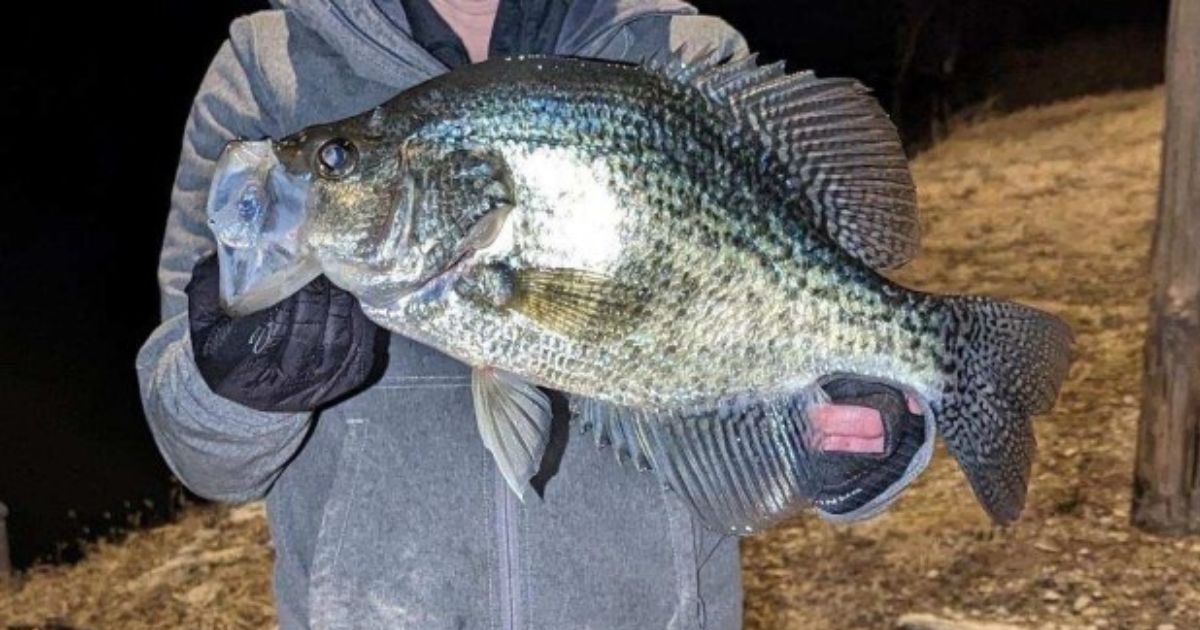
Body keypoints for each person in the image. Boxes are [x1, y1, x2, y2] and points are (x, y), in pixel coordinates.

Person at [136, 1, 921, 628]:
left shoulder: (682, 46)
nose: (314, 170)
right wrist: (230, 379)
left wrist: (862, 442)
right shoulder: (265, 70)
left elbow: (799, 364)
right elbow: (203, 459)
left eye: (339, 160)